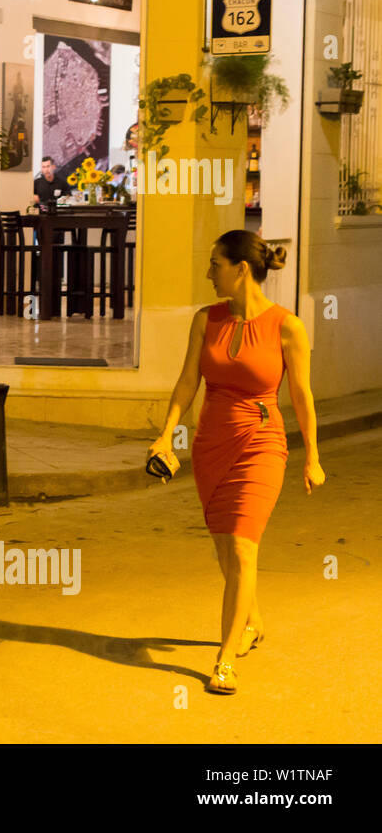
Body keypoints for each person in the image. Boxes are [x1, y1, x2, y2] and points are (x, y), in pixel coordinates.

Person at [148, 231, 324, 696]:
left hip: (262, 441)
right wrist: (167, 432)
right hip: (211, 444)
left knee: (244, 547)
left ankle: (224, 660)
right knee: (225, 549)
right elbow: (188, 381)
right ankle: (254, 620)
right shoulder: (206, 319)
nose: (208, 274)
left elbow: (302, 396)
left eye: (214, 265)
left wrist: (313, 457)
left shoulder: (289, 326)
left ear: (240, 268)